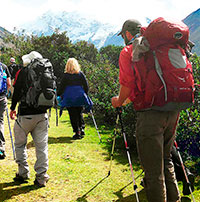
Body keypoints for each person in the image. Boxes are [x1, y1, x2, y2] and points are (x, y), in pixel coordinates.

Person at [111, 19, 181, 202]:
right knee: (166, 161)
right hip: (173, 109)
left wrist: (118, 101)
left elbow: (127, 85)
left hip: (150, 113)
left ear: (127, 34)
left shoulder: (129, 51)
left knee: (153, 170)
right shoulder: (160, 47)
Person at [9, 51, 50, 187]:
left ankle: (23, 173)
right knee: (41, 146)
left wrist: (13, 108)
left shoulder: (23, 71)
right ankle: (41, 177)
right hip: (42, 115)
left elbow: (17, 92)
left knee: (20, 144)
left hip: (25, 114)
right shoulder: (46, 71)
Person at [57, 58, 89, 139]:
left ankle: (77, 131)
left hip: (69, 97)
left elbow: (61, 87)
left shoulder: (66, 76)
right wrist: (85, 94)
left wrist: (59, 95)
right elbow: (86, 85)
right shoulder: (80, 74)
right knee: (79, 112)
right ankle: (82, 128)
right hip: (79, 96)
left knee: (72, 114)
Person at [0, 62, 11, 159]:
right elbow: (9, 83)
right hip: (1, 98)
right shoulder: (3, 67)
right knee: (0, 122)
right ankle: (1, 149)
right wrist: (5, 93)